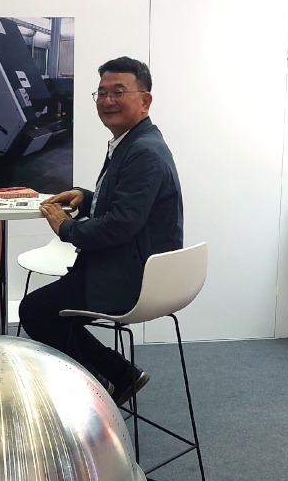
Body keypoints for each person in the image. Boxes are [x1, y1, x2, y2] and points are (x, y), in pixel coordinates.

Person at [19, 56, 182, 405]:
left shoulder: (143, 151)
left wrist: (67, 228)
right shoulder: (133, 142)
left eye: (118, 92)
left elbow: (120, 225)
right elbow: (128, 205)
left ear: (145, 100)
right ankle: (120, 374)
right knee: (54, 311)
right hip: (127, 264)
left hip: (129, 277)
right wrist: (87, 197)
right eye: (102, 93)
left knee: (35, 310)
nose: (108, 101)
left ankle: (97, 388)